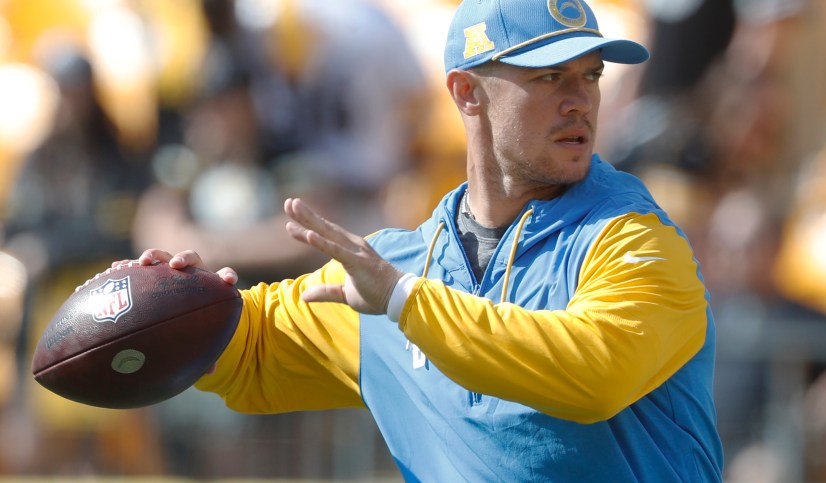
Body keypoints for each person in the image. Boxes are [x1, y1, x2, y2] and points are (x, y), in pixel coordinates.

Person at [131, 0, 723, 480]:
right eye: (549, 76)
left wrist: (404, 301)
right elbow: (249, 347)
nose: (582, 101)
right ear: (467, 93)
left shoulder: (636, 241)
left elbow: (594, 373)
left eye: (590, 75)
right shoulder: (395, 267)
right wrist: (175, 302)